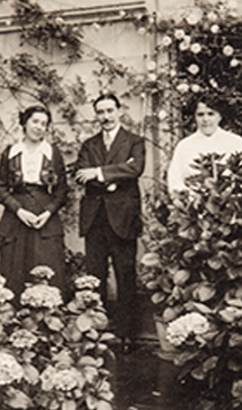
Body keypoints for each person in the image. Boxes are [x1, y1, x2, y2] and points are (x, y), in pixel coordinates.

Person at [75, 93, 145, 352]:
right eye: (100, 112)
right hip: (95, 219)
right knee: (96, 277)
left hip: (123, 218)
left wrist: (100, 172)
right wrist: (115, 177)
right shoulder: (89, 144)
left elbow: (136, 168)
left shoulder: (134, 141)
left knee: (125, 276)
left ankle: (127, 336)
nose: (105, 116)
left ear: (119, 111)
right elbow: (80, 174)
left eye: (109, 111)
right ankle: (96, 334)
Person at [0, 105, 69, 297]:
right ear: (24, 123)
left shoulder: (53, 153)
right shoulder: (10, 153)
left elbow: (61, 190)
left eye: (44, 124)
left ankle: (46, 318)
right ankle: (14, 318)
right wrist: (18, 210)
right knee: (14, 264)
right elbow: (1, 189)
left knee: (47, 265)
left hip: (44, 215)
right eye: (35, 121)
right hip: (16, 215)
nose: (39, 127)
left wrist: (48, 212)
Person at [167, 93, 242, 194]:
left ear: (220, 116)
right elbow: (175, 181)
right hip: (194, 203)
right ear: (195, 117)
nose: (205, 119)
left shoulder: (236, 142)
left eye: (211, 114)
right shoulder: (184, 146)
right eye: (200, 114)